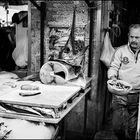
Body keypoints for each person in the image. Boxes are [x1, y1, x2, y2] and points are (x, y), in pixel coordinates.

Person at [108, 24, 140, 140]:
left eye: (137, 37)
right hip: (119, 94)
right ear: (128, 36)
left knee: (132, 127)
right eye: (131, 37)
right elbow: (113, 67)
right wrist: (112, 77)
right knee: (117, 126)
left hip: (137, 95)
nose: (134, 40)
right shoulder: (120, 51)